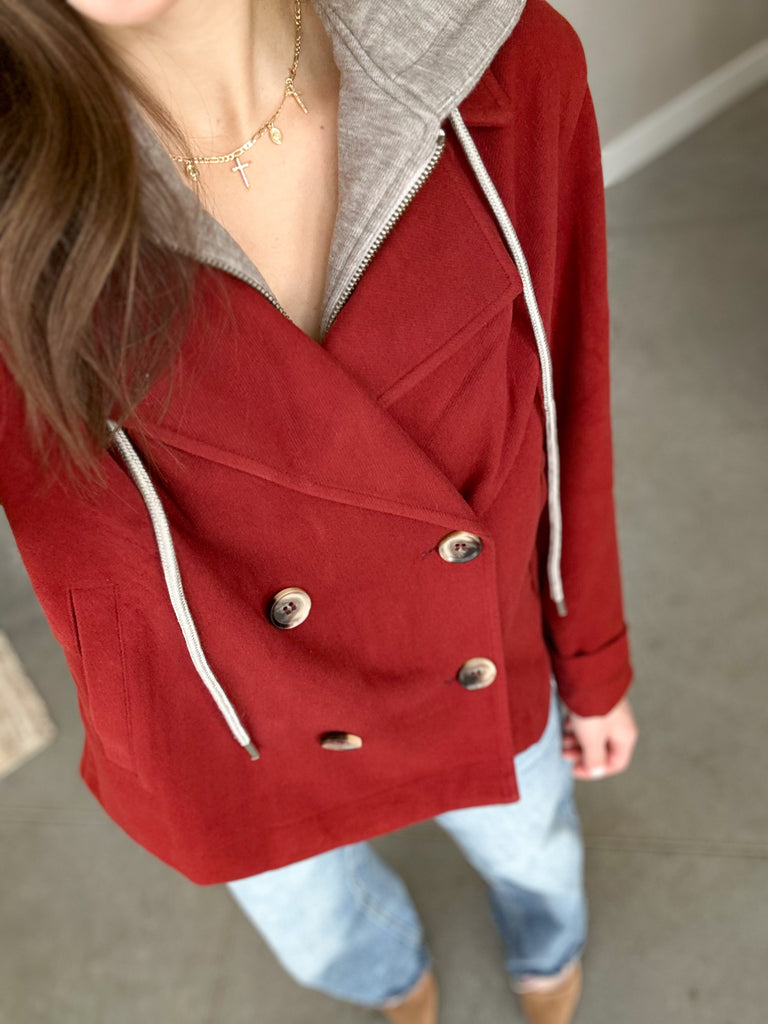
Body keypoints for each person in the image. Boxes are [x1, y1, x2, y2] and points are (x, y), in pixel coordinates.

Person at [0, 1, 639, 1022]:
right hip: (219, 726)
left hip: (486, 650)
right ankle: (391, 978)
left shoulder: (504, 66)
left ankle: (547, 945)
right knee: (324, 930)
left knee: (535, 849)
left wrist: (592, 658)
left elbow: (567, 396)